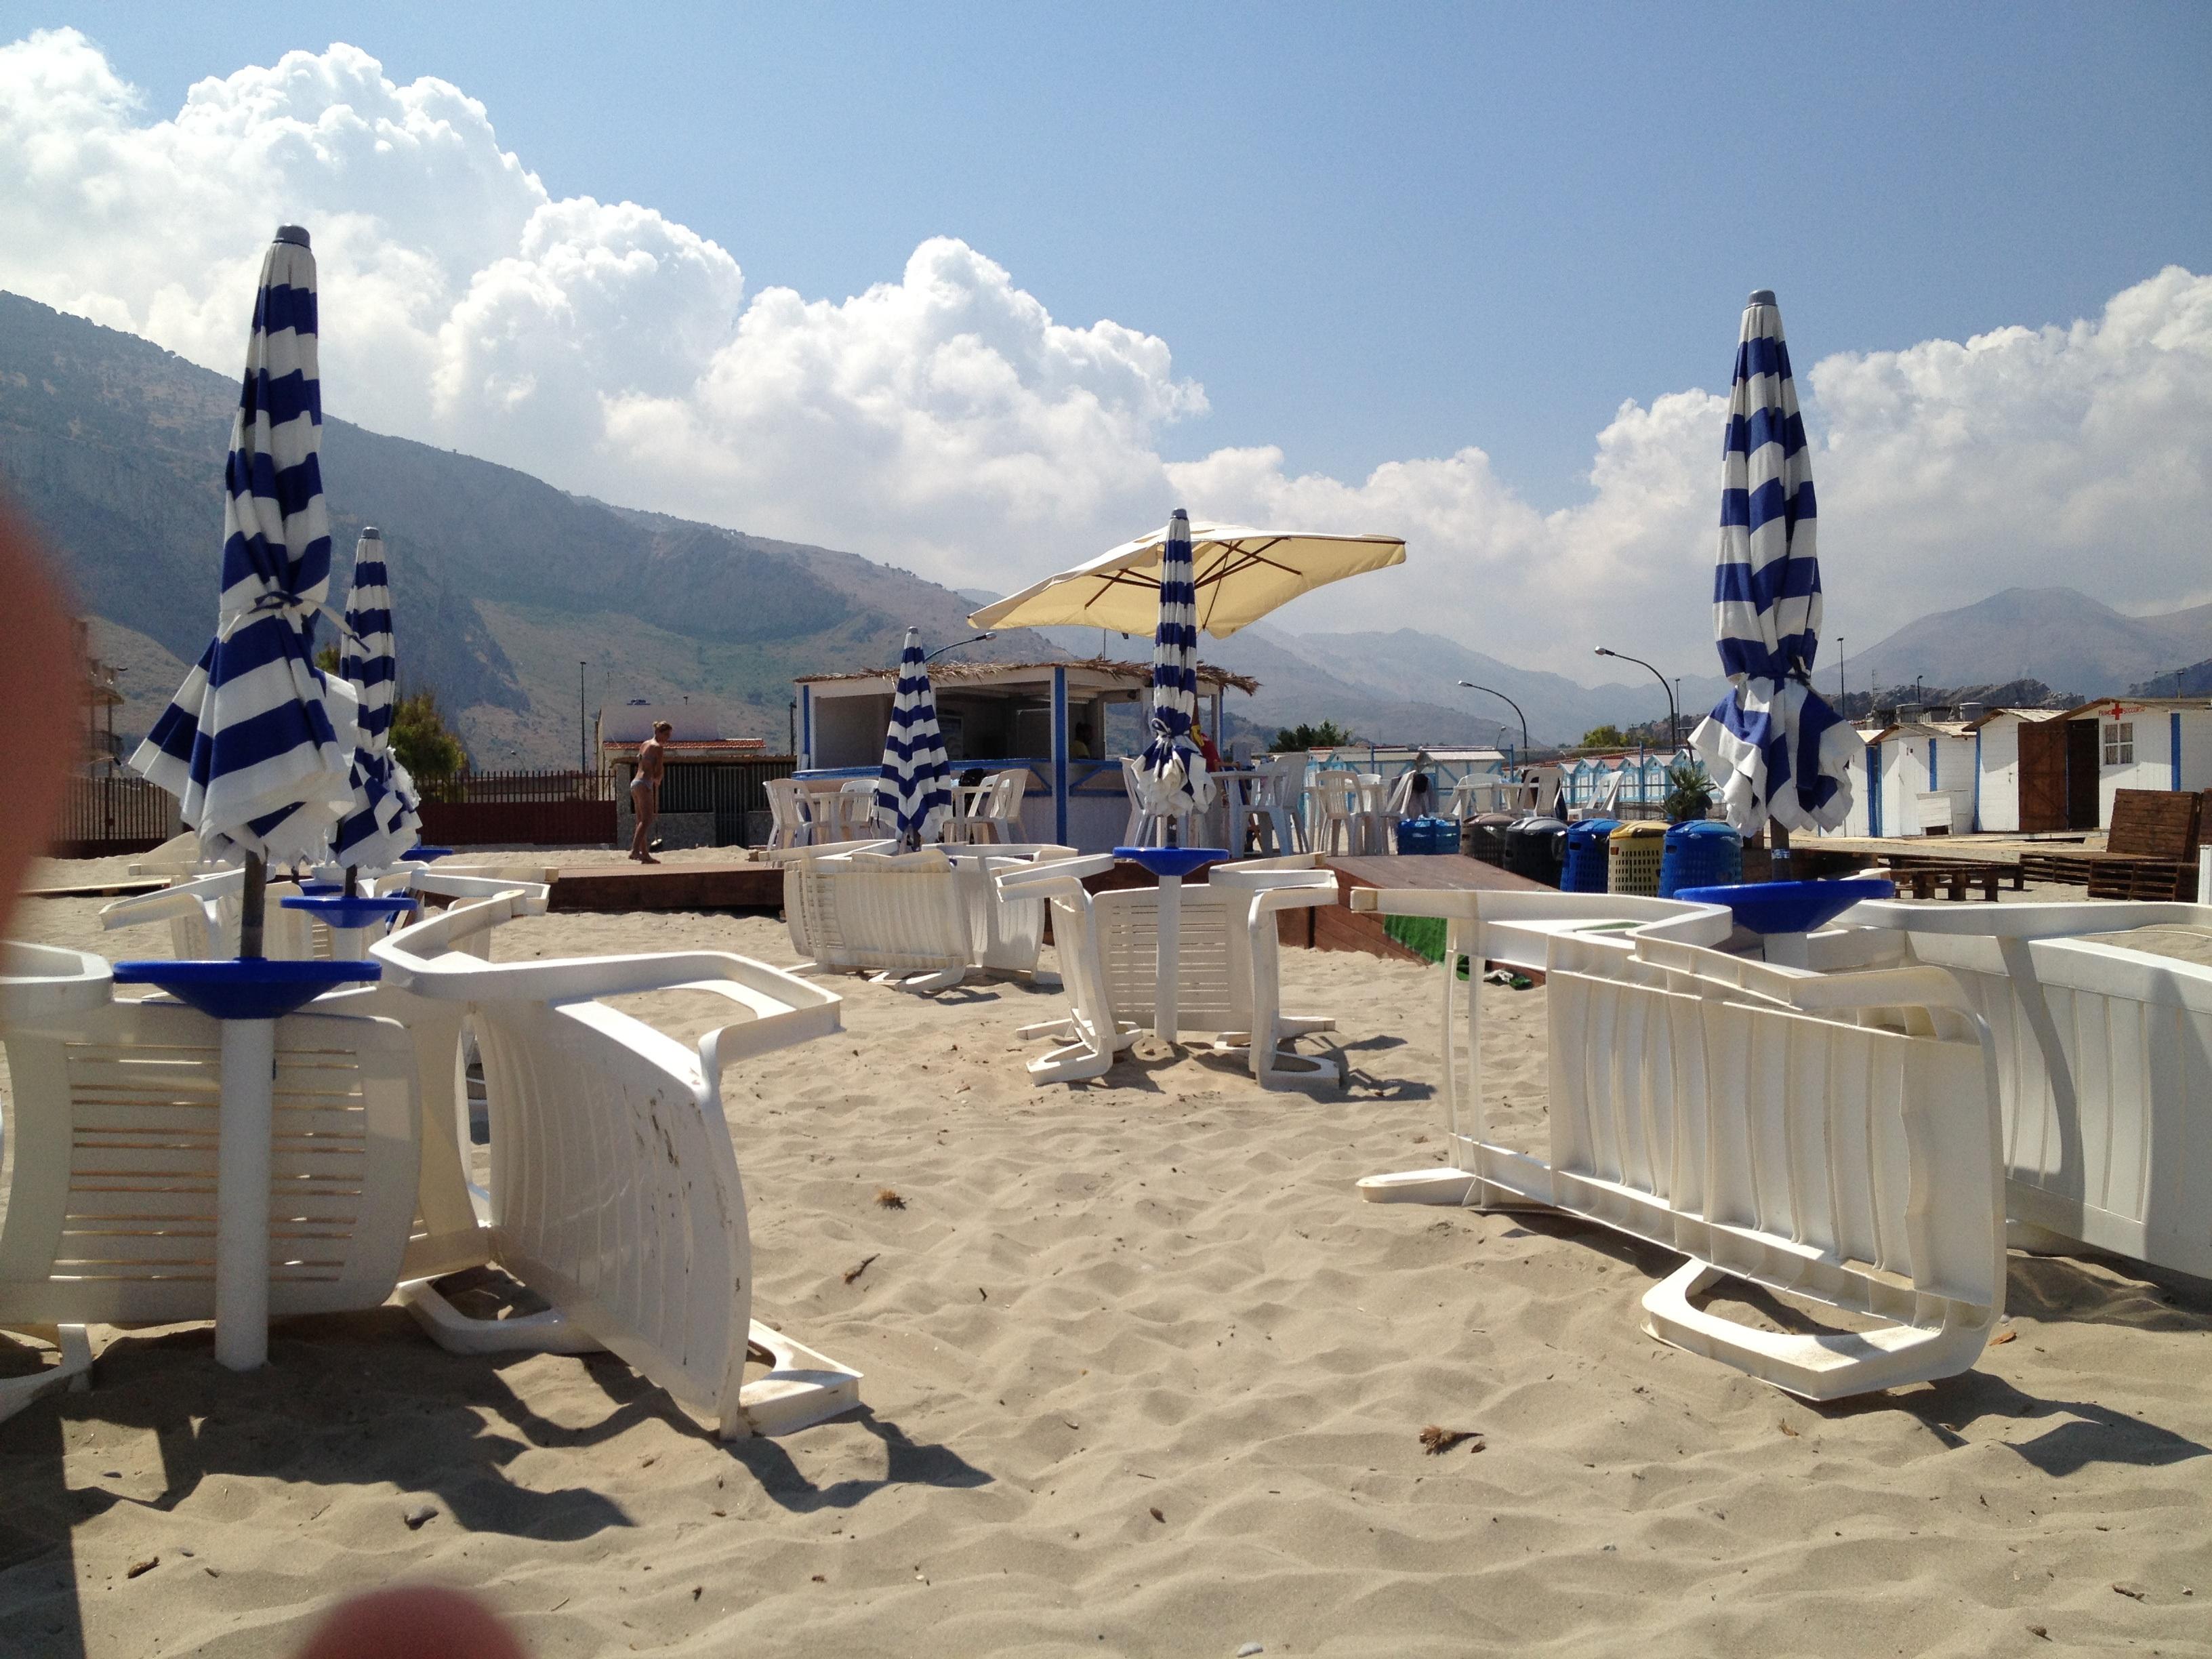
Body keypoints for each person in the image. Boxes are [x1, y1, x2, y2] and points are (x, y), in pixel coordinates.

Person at [628, 719, 671, 863]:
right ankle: (635, 850)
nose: (668, 739)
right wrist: (659, 778)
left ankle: (645, 855)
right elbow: (658, 770)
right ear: (658, 733)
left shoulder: (644, 744)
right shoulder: (658, 747)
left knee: (641, 820)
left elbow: (643, 763)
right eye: (666, 735)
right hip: (644, 784)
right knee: (647, 819)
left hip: (635, 783)